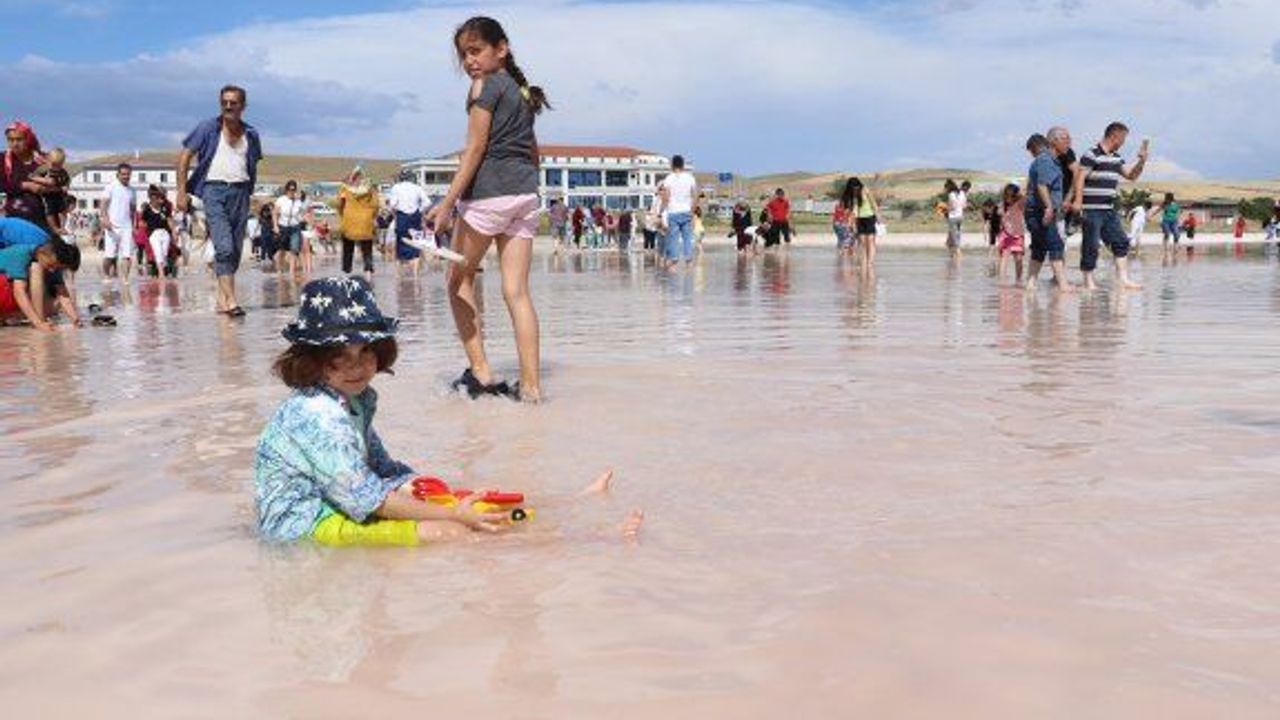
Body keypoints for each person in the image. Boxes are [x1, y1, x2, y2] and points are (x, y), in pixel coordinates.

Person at [255, 276, 642, 545]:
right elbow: (364, 499)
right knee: (451, 532)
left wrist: (438, 494)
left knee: (474, 501)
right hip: (303, 522)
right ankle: (593, 540)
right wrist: (453, 515)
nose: (357, 367)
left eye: (366, 352)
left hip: (344, 497)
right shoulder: (317, 416)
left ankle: (570, 501)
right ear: (312, 361)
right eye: (340, 358)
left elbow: (381, 467)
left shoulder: (355, 398)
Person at [424, 16, 550, 403]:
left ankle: (482, 372)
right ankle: (531, 387)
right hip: (524, 196)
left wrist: (446, 205)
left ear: (502, 48)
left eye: (476, 50)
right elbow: (534, 153)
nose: (469, 61)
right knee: (517, 293)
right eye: (464, 54)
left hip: (489, 196)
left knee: (458, 281)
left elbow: (475, 150)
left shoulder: (485, 87)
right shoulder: (521, 91)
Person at [176, 85, 263, 317]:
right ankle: (232, 301)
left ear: (243, 106)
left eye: (233, 102)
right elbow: (185, 156)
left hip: (241, 192)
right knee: (223, 247)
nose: (228, 106)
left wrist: (250, 193)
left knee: (234, 250)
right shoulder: (208, 127)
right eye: (224, 102)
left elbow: (253, 164)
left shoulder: (251, 134)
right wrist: (181, 191)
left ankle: (222, 299)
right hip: (213, 190)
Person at [1072, 122, 1147, 290]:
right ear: (1115, 136)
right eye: (1123, 138)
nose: (1124, 142)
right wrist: (1078, 201)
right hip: (1091, 210)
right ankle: (1088, 281)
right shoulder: (1091, 154)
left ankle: (1123, 279)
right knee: (1091, 245)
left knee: (1121, 242)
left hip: (1109, 210)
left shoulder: (1116, 157)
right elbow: (1080, 178)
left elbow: (1131, 176)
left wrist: (1141, 162)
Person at [1022, 133, 1072, 293]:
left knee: (1039, 247)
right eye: (1065, 140)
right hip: (1041, 211)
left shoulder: (1046, 161)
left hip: (1036, 211)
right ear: (1051, 143)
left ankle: (1030, 284)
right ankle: (1063, 285)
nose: (1068, 143)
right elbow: (1042, 186)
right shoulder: (1045, 160)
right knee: (1056, 245)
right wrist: (1049, 208)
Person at [0, 239, 80, 331]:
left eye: (57, 267)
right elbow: (19, 293)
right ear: (44, 253)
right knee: (35, 269)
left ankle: (6, 317)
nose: (52, 270)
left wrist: (75, 319)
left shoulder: (54, 265)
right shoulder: (20, 254)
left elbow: (63, 295)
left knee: (54, 306)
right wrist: (38, 323)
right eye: (51, 265)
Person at [1, 121, 50, 227]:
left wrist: (47, 188)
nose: (15, 144)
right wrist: (25, 185)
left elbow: (60, 180)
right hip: (13, 218)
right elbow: (2, 185)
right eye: (10, 140)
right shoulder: (3, 159)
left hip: (41, 217)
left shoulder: (42, 159)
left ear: (28, 139)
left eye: (19, 139)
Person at [337, 167, 380, 277]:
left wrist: (342, 214)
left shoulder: (345, 190)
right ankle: (368, 275)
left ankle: (347, 272)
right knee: (367, 250)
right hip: (365, 223)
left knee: (347, 249)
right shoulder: (370, 190)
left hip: (349, 222)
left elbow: (339, 204)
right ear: (361, 178)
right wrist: (372, 217)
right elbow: (375, 205)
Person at [656, 154, 699, 268]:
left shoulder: (669, 178)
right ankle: (688, 262)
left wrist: (660, 213)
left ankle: (674, 262)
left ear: (672, 165)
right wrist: (692, 211)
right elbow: (695, 196)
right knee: (687, 239)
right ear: (683, 165)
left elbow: (666, 198)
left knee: (673, 239)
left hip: (673, 212)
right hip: (686, 212)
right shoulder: (690, 178)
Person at [100, 163, 137, 282]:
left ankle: (125, 279)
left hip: (127, 227)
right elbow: (103, 205)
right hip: (112, 226)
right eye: (123, 174)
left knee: (127, 255)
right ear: (118, 174)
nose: (126, 176)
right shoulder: (110, 187)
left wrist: (134, 224)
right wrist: (105, 220)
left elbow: (133, 209)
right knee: (109, 256)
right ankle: (106, 275)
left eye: (128, 174)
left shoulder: (132, 190)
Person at [388, 170, 429, 275]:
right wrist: (419, 211)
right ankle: (415, 275)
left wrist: (395, 215)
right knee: (416, 244)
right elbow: (427, 202)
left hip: (402, 216)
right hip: (415, 216)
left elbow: (392, 205)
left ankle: (398, 275)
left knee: (400, 243)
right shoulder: (417, 187)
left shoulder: (396, 187)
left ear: (401, 177)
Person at [1049, 126, 1082, 237]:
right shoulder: (1046, 155)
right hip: (1051, 200)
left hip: (1063, 200)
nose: (1069, 141)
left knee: (1059, 236)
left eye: (1069, 138)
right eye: (1065, 138)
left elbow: (1076, 172)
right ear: (1053, 140)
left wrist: (1069, 198)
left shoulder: (1067, 152)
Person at [141, 185, 179, 278]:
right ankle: (161, 274)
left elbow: (169, 220)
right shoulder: (147, 209)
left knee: (164, 253)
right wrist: (146, 231)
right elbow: (142, 221)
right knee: (158, 253)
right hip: (153, 233)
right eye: (155, 197)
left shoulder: (165, 208)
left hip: (165, 233)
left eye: (159, 197)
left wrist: (174, 232)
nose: (159, 199)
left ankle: (164, 272)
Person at [33, 147, 72, 234]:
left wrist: (66, 186)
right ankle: (54, 228)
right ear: (48, 161)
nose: (56, 168)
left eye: (59, 165)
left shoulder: (63, 172)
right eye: (53, 164)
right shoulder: (44, 169)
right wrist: (43, 180)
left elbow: (67, 180)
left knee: (63, 211)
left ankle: (62, 227)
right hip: (48, 196)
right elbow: (32, 177)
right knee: (49, 212)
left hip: (60, 195)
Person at [272, 180, 305, 278]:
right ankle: (279, 271)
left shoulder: (298, 202)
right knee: (281, 250)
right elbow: (275, 213)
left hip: (295, 227)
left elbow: (301, 214)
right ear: (286, 190)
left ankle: (291, 273)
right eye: (290, 190)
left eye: (294, 190)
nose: (292, 192)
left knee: (294, 250)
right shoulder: (281, 200)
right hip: (283, 227)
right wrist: (275, 226)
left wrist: (305, 220)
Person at [846, 177, 879, 270]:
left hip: (870, 217)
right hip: (860, 219)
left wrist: (878, 216)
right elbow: (854, 209)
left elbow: (873, 203)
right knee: (862, 242)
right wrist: (851, 222)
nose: (854, 189)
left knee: (870, 241)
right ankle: (864, 262)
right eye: (852, 188)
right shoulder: (853, 194)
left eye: (855, 187)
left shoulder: (865, 190)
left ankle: (870, 263)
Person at [996, 183, 1026, 284]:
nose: (1008, 199)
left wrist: (1020, 193)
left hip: (1018, 234)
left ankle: (1018, 280)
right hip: (1005, 235)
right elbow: (1000, 216)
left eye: (1011, 196)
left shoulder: (1020, 204)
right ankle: (1001, 280)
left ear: (1015, 196)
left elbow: (1025, 197)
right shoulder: (1002, 205)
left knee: (1018, 259)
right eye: (1006, 196)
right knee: (1004, 257)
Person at [944, 179, 970, 257]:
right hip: (960, 217)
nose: (945, 190)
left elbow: (951, 207)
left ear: (948, 187)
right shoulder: (962, 193)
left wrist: (945, 209)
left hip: (953, 217)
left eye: (946, 188)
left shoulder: (951, 194)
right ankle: (952, 256)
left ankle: (958, 257)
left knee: (955, 238)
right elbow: (964, 206)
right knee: (952, 237)